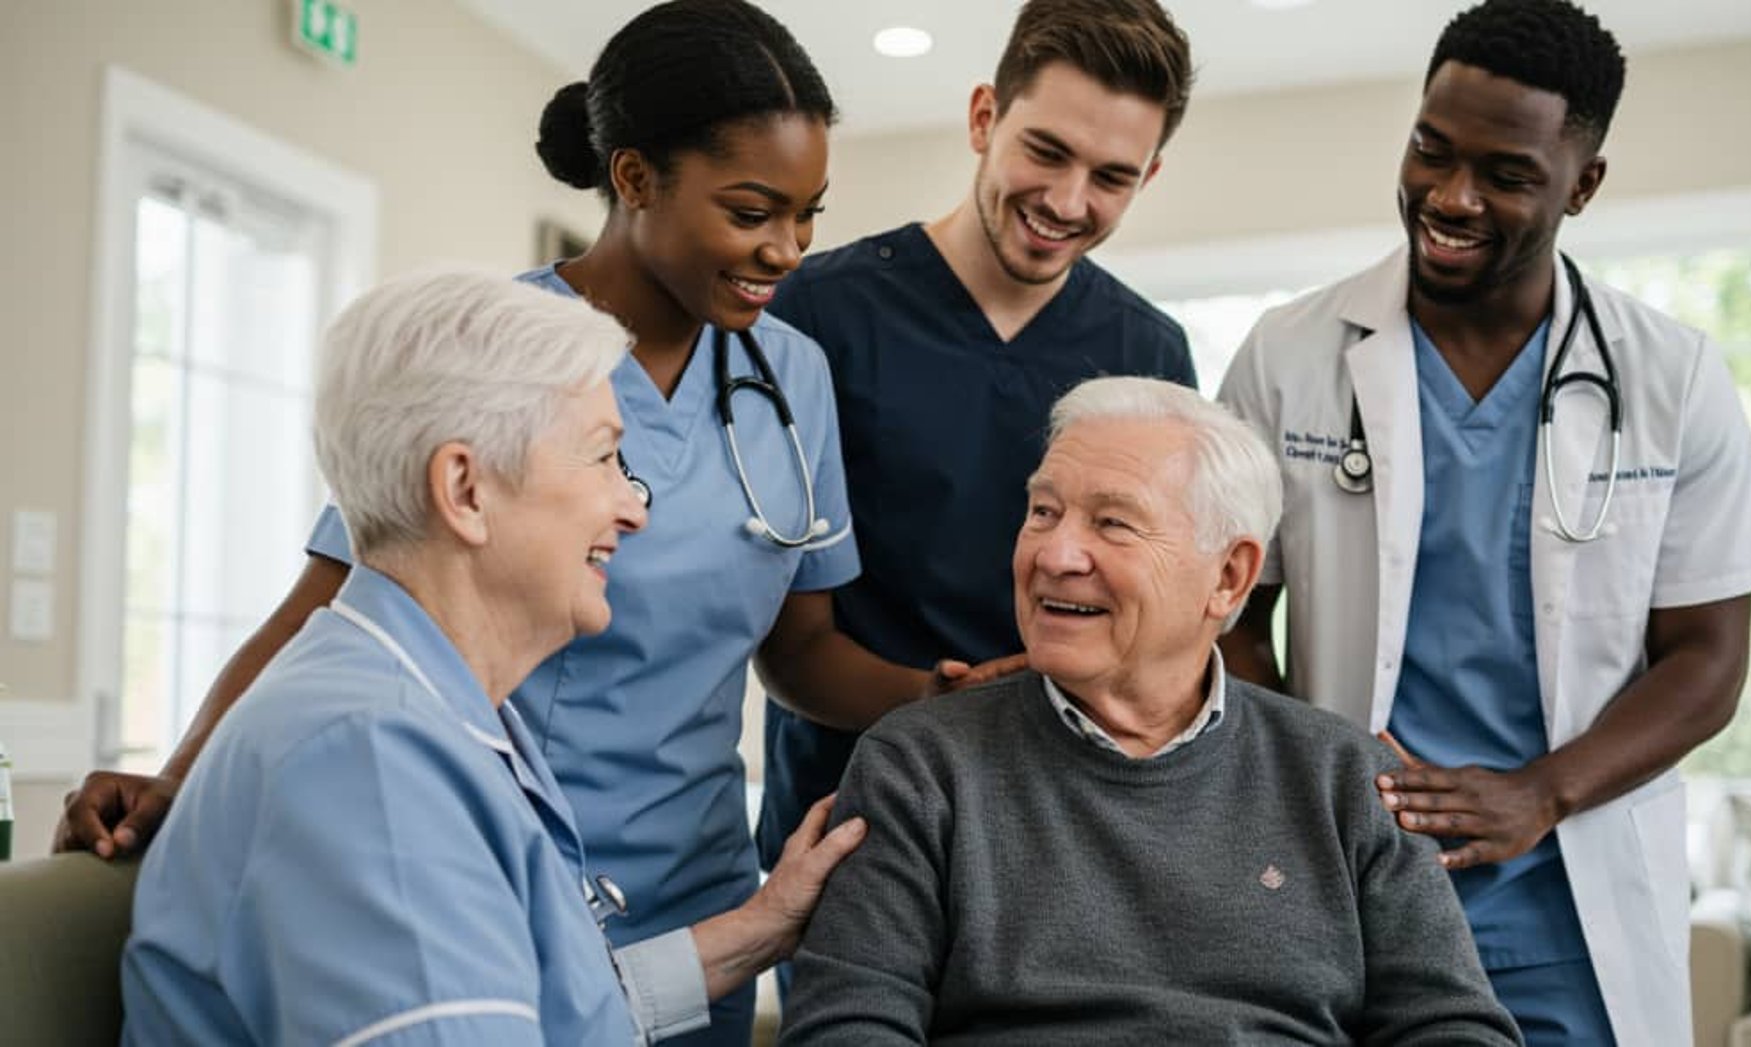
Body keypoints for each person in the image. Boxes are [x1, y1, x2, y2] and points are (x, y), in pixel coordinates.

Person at [67, 3, 984, 1041]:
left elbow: (799, 645)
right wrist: (179, 777)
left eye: (809, 213)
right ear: (634, 180)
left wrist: (931, 695)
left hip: (696, 892)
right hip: (494, 862)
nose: (789, 250)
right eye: (752, 210)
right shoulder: (494, 362)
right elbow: (344, 607)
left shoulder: (793, 376)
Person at [1216, 1, 1751, 1042]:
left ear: (1584, 184)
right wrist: (1320, 767)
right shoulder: (1289, 354)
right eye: (1431, 151)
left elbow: (1708, 658)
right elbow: (1229, 611)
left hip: (1570, 894)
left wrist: (1542, 792)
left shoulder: (1670, 376)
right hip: (1349, 874)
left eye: (1507, 174)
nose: (1450, 196)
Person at [121, 272, 867, 1045]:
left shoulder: (442, 710)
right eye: (606, 458)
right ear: (466, 490)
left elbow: (548, 1006)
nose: (635, 506)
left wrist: (765, 923)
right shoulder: (368, 760)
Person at [777, 377, 1519, 1045]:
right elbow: (848, 1024)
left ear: (1229, 578)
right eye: (1043, 512)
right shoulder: (920, 763)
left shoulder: (1343, 773)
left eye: (1112, 524)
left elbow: (1452, 1024)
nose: (1055, 553)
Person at [757, 0, 1198, 881]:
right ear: (984, 118)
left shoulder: (1150, 355)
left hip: (1069, 826)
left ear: (1148, 178)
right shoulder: (815, 318)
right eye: (1046, 152)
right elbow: (783, 643)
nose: (1067, 202)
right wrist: (940, 701)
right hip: (853, 820)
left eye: (1111, 176)